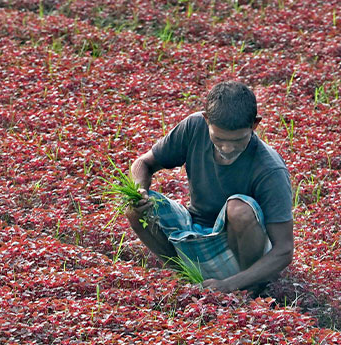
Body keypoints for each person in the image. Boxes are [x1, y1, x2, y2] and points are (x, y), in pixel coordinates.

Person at [125, 80, 294, 296]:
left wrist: (231, 284)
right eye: (219, 138)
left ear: (255, 125)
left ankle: (251, 288)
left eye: (238, 140)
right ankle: (184, 276)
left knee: (238, 208)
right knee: (134, 208)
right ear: (206, 120)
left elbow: (284, 250)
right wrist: (140, 191)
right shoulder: (194, 127)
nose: (227, 148)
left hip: (239, 252)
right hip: (195, 231)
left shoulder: (270, 168)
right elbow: (143, 164)